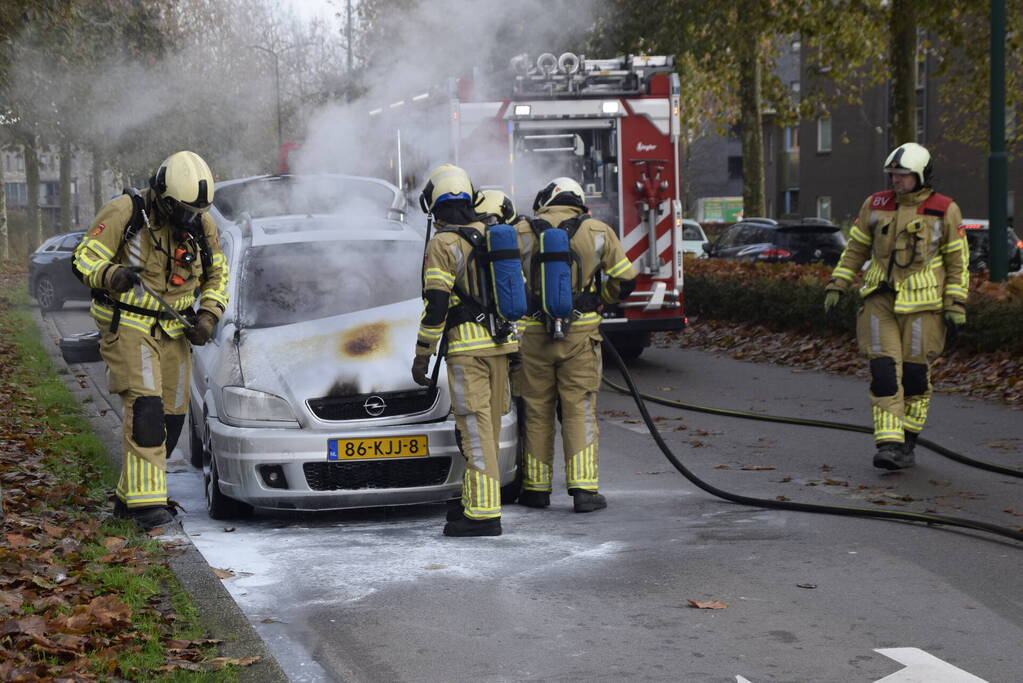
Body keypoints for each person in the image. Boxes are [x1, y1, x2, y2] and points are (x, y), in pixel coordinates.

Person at [73, 151, 229, 528]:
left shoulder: (201, 224)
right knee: (146, 411)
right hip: (129, 327)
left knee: (172, 420)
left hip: (175, 332)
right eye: (184, 211)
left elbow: (217, 276)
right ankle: (147, 510)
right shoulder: (124, 212)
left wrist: (207, 317)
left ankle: (129, 500)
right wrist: (111, 275)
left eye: (196, 212)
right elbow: (83, 258)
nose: (190, 219)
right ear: (163, 194)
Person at [824, 142, 968, 470]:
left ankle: (908, 440)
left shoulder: (945, 209)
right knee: (884, 373)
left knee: (915, 377)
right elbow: (856, 249)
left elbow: (959, 261)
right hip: (879, 301)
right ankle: (888, 444)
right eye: (892, 175)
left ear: (920, 176)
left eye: (903, 176)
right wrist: (838, 283)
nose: (896, 181)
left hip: (924, 307)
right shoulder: (875, 205)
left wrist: (956, 304)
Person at [513, 177, 637, 512]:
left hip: (534, 336)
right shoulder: (598, 230)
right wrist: (599, 300)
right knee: (579, 409)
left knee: (537, 410)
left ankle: (536, 489)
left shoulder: (522, 231)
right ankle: (584, 490)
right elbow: (626, 279)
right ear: (579, 201)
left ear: (546, 199)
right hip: (581, 335)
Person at [412, 165, 519, 537]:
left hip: (467, 349)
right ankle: (474, 504)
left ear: (433, 204)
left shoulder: (442, 244)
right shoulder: (493, 235)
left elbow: (437, 305)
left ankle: (484, 515)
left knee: (474, 431)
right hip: (502, 344)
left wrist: (422, 354)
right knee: (487, 428)